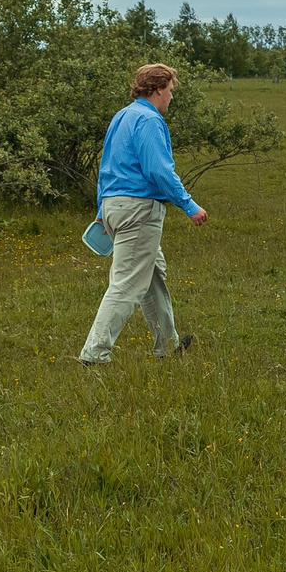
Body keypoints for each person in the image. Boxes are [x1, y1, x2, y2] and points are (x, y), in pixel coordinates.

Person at [79, 63, 206, 364]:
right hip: (139, 210)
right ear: (158, 89)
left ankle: (168, 346)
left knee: (153, 276)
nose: (171, 97)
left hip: (114, 206)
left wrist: (101, 210)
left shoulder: (122, 116)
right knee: (127, 283)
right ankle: (94, 354)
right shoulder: (149, 120)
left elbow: (106, 167)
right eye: (170, 90)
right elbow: (158, 170)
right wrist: (189, 206)